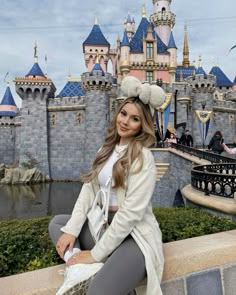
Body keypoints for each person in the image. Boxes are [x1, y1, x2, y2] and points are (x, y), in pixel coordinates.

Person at [48, 76, 165, 295]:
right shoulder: (105, 150)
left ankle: (98, 268)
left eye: (134, 119)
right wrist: (72, 230)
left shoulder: (143, 158)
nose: (125, 122)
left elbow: (130, 215)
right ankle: (83, 271)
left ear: (143, 125)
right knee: (58, 225)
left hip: (133, 237)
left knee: (97, 292)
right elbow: (88, 191)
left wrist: (95, 254)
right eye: (123, 114)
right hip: (102, 227)